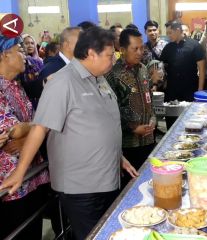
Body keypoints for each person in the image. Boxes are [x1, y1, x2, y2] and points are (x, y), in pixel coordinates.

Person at [0, 27, 138, 240]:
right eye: (110, 56)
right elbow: (39, 128)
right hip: (81, 186)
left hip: (106, 178)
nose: (113, 60)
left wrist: (118, 157)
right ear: (91, 53)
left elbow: (100, 124)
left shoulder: (98, 77)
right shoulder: (62, 82)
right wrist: (19, 172)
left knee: (109, 233)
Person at [0, 35, 49, 239]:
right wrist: (37, 127)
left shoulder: (16, 85)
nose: (25, 56)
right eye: (19, 50)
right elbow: (13, 130)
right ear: (4, 55)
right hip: (12, 185)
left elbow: (25, 126)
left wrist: (27, 134)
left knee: (33, 229)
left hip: (32, 175)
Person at [106, 28, 156, 189]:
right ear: (122, 50)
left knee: (150, 182)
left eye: (142, 48)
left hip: (149, 139)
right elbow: (110, 112)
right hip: (129, 145)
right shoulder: (113, 75)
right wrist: (133, 129)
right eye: (135, 49)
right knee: (132, 187)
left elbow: (149, 98)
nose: (140, 52)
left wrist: (153, 118)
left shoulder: (143, 68)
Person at [160, 20, 206, 128]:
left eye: (170, 32)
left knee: (190, 122)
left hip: (189, 90)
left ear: (178, 30)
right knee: (171, 123)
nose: (168, 35)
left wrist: (199, 92)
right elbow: (161, 66)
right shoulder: (168, 47)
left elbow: (202, 69)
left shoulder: (194, 46)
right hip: (172, 92)